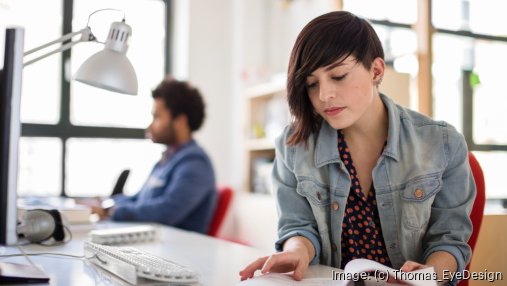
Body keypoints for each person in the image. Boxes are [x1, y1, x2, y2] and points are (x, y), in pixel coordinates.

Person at [239, 11, 475, 285]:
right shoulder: (294, 146)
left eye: (338, 76)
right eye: (312, 84)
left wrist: (428, 275)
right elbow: (298, 226)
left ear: (376, 70)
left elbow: (450, 241)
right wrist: (297, 251)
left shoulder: (442, 144)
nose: (323, 95)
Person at [89, 76, 217, 234]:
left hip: (177, 252)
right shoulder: (167, 160)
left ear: (180, 121)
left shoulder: (196, 164)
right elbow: (139, 199)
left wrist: (111, 211)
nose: (150, 125)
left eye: (157, 117)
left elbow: (167, 211)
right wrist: (105, 203)